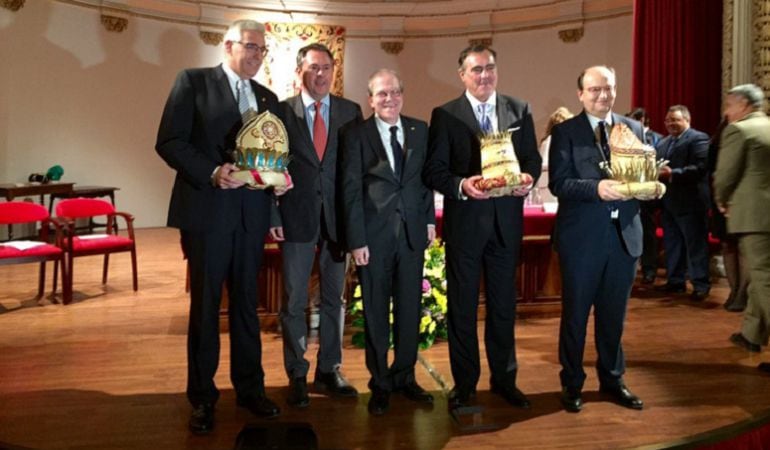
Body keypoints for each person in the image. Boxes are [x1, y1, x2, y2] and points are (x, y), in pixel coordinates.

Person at [156, 19, 285, 434]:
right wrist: (211, 171)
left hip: (252, 217)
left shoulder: (268, 98)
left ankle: (250, 390)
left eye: (262, 50)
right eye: (250, 46)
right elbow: (170, 142)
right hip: (208, 214)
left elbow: (276, 155)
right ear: (228, 45)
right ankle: (203, 398)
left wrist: (283, 176)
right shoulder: (193, 82)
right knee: (207, 309)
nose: (255, 55)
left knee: (248, 307)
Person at [423, 44, 541, 412]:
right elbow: (434, 171)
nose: (484, 75)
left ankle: (505, 380)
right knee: (461, 308)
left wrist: (528, 177)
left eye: (490, 67)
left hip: (506, 225)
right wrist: (462, 185)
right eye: (476, 70)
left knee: (504, 308)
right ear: (462, 75)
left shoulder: (519, 109)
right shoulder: (445, 115)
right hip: (466, 226)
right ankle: (465, 384)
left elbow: (533, 160)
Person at [269, 43, 363, 408]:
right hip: (294, 218)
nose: (321, 74)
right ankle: (296, 372)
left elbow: (353, 173)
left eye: (327, 68)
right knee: (293, 300)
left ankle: (329, 369)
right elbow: (269, 167)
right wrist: (273, 214)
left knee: (334, 299)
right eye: (313, 68)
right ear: (299, 72)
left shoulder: (350, 112)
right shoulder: (280, 113)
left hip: (337, 222)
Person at [340, 69, 436, 415]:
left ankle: (405, 377)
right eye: (382, 94)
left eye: (394, 92)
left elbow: (424, 182)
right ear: (370, 99)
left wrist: (428, 220)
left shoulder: (419, 129)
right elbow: (349, 191)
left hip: (412, 236)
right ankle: (380, 383)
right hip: (373, 240)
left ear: (402, 95)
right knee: (377, 313)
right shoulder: (355, 134)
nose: (389, 99)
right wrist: (356, 240)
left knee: (410, 310)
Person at [549, 65, 645, 413]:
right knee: (575, 316)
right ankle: (572, 383)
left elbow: (643, 175)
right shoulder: (565, 132)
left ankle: (613, 379)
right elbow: (560, 183)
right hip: (581, 241)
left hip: (624, 240)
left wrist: (647, 187)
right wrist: (597, 189)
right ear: (580, 94)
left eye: (608, 89)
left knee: (613, 316)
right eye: (594, 90)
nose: (602, 96)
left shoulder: (633, 128)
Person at [715, 84, 770, 368]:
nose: (726, 112)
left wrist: (721, 200)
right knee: (762, 278)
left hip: (754, 216)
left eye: (729, 105)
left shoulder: (739, 131)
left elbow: (726, 174)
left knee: (764, 280)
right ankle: (752, 333)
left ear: (744, 105)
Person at [654, 105, 711, 300]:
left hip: (691, 202)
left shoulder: (698, 138)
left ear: (687, 120)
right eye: (668, 120)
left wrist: (673, 175)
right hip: (669, 203)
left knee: (695, 245)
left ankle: (700, 284)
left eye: (675, 120)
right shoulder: (663, 143)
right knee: (673, 244)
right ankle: (676, 281)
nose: (670, 124)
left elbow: (702, 167)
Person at [708, 118, 749, 312]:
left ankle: (742, 293)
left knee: (742, 247)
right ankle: (734, 291)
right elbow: (710, 170)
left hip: (743, 200)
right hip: (720, 199)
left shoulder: (749, 136)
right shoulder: (717, 142)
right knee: (727, 245)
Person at [628, 107, 663, 284]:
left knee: (647, 232)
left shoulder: (657, 139)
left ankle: (649, 269)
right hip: (627, 193)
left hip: (646, 194)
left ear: (642, 120)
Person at [536, 107, 573, 204]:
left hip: (553, 184)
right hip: (551, 185)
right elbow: (543, 164)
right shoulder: (550, 140)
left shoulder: (549, 140)